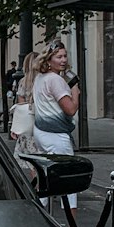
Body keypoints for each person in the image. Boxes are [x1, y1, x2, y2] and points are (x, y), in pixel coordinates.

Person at [32, 40, 81, 210]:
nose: (63, 60)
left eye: (65, 56)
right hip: (57, 135)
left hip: (41, 133)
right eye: (59, 56)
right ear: (49, 59)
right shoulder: (56, 80)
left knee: (44, 178)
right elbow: (70, 109)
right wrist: (75, 90)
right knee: (68, 181)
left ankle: (41, 217)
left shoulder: (39, 78)